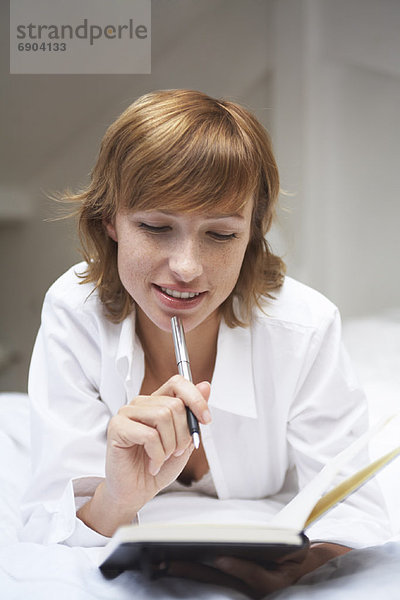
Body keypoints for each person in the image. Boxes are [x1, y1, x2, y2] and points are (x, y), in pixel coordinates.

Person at [21, 89, 390, 597]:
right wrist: (119, 497)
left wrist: (304, 565)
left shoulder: (304, 327)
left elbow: (358, 514)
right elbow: (50, 523)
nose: (188, 268)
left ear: (252, 234)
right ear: (110, 221)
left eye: (220, 235)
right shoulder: (74, 312)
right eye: (155, 227)